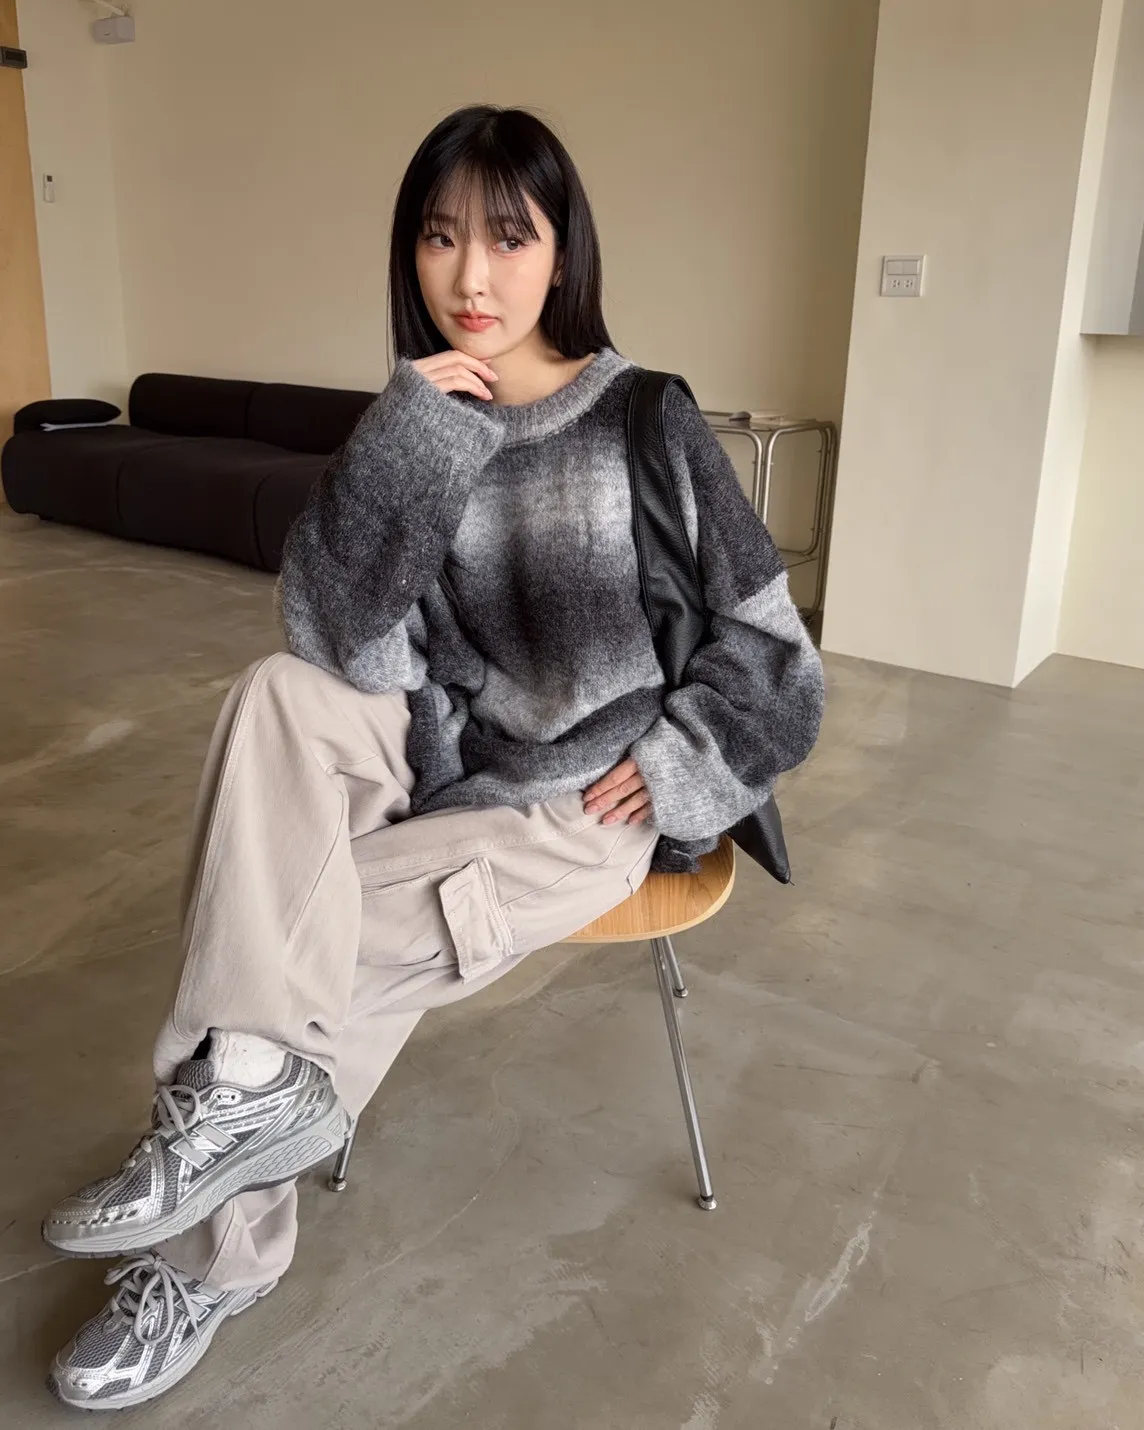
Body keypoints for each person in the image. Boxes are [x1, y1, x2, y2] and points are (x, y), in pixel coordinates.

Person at [40, 104, 825, 1410]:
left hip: (586, 802)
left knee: (287, 940)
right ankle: (243, 1095)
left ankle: (209, 1242)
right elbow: (337, 639)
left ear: (562, 252)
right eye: (440, 236)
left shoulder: (647, 417)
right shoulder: (422, 419)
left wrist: (682, 761)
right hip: (439, 757)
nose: (472, 274)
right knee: (277, 696)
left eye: (509, 237)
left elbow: (776, 653)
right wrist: (409, 445)